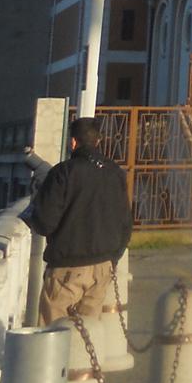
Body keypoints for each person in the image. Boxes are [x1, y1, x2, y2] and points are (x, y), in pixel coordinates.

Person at [26, 116, 133, 326]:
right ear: (98, 142)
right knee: (87, 337)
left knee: (52, 334)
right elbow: (126, 224)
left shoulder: (63, 172)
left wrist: (38, 201)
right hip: (102, 266)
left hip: (68, 267)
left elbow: (45, 223)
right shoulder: (115, 173)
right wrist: (113, 257)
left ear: (73, 142)